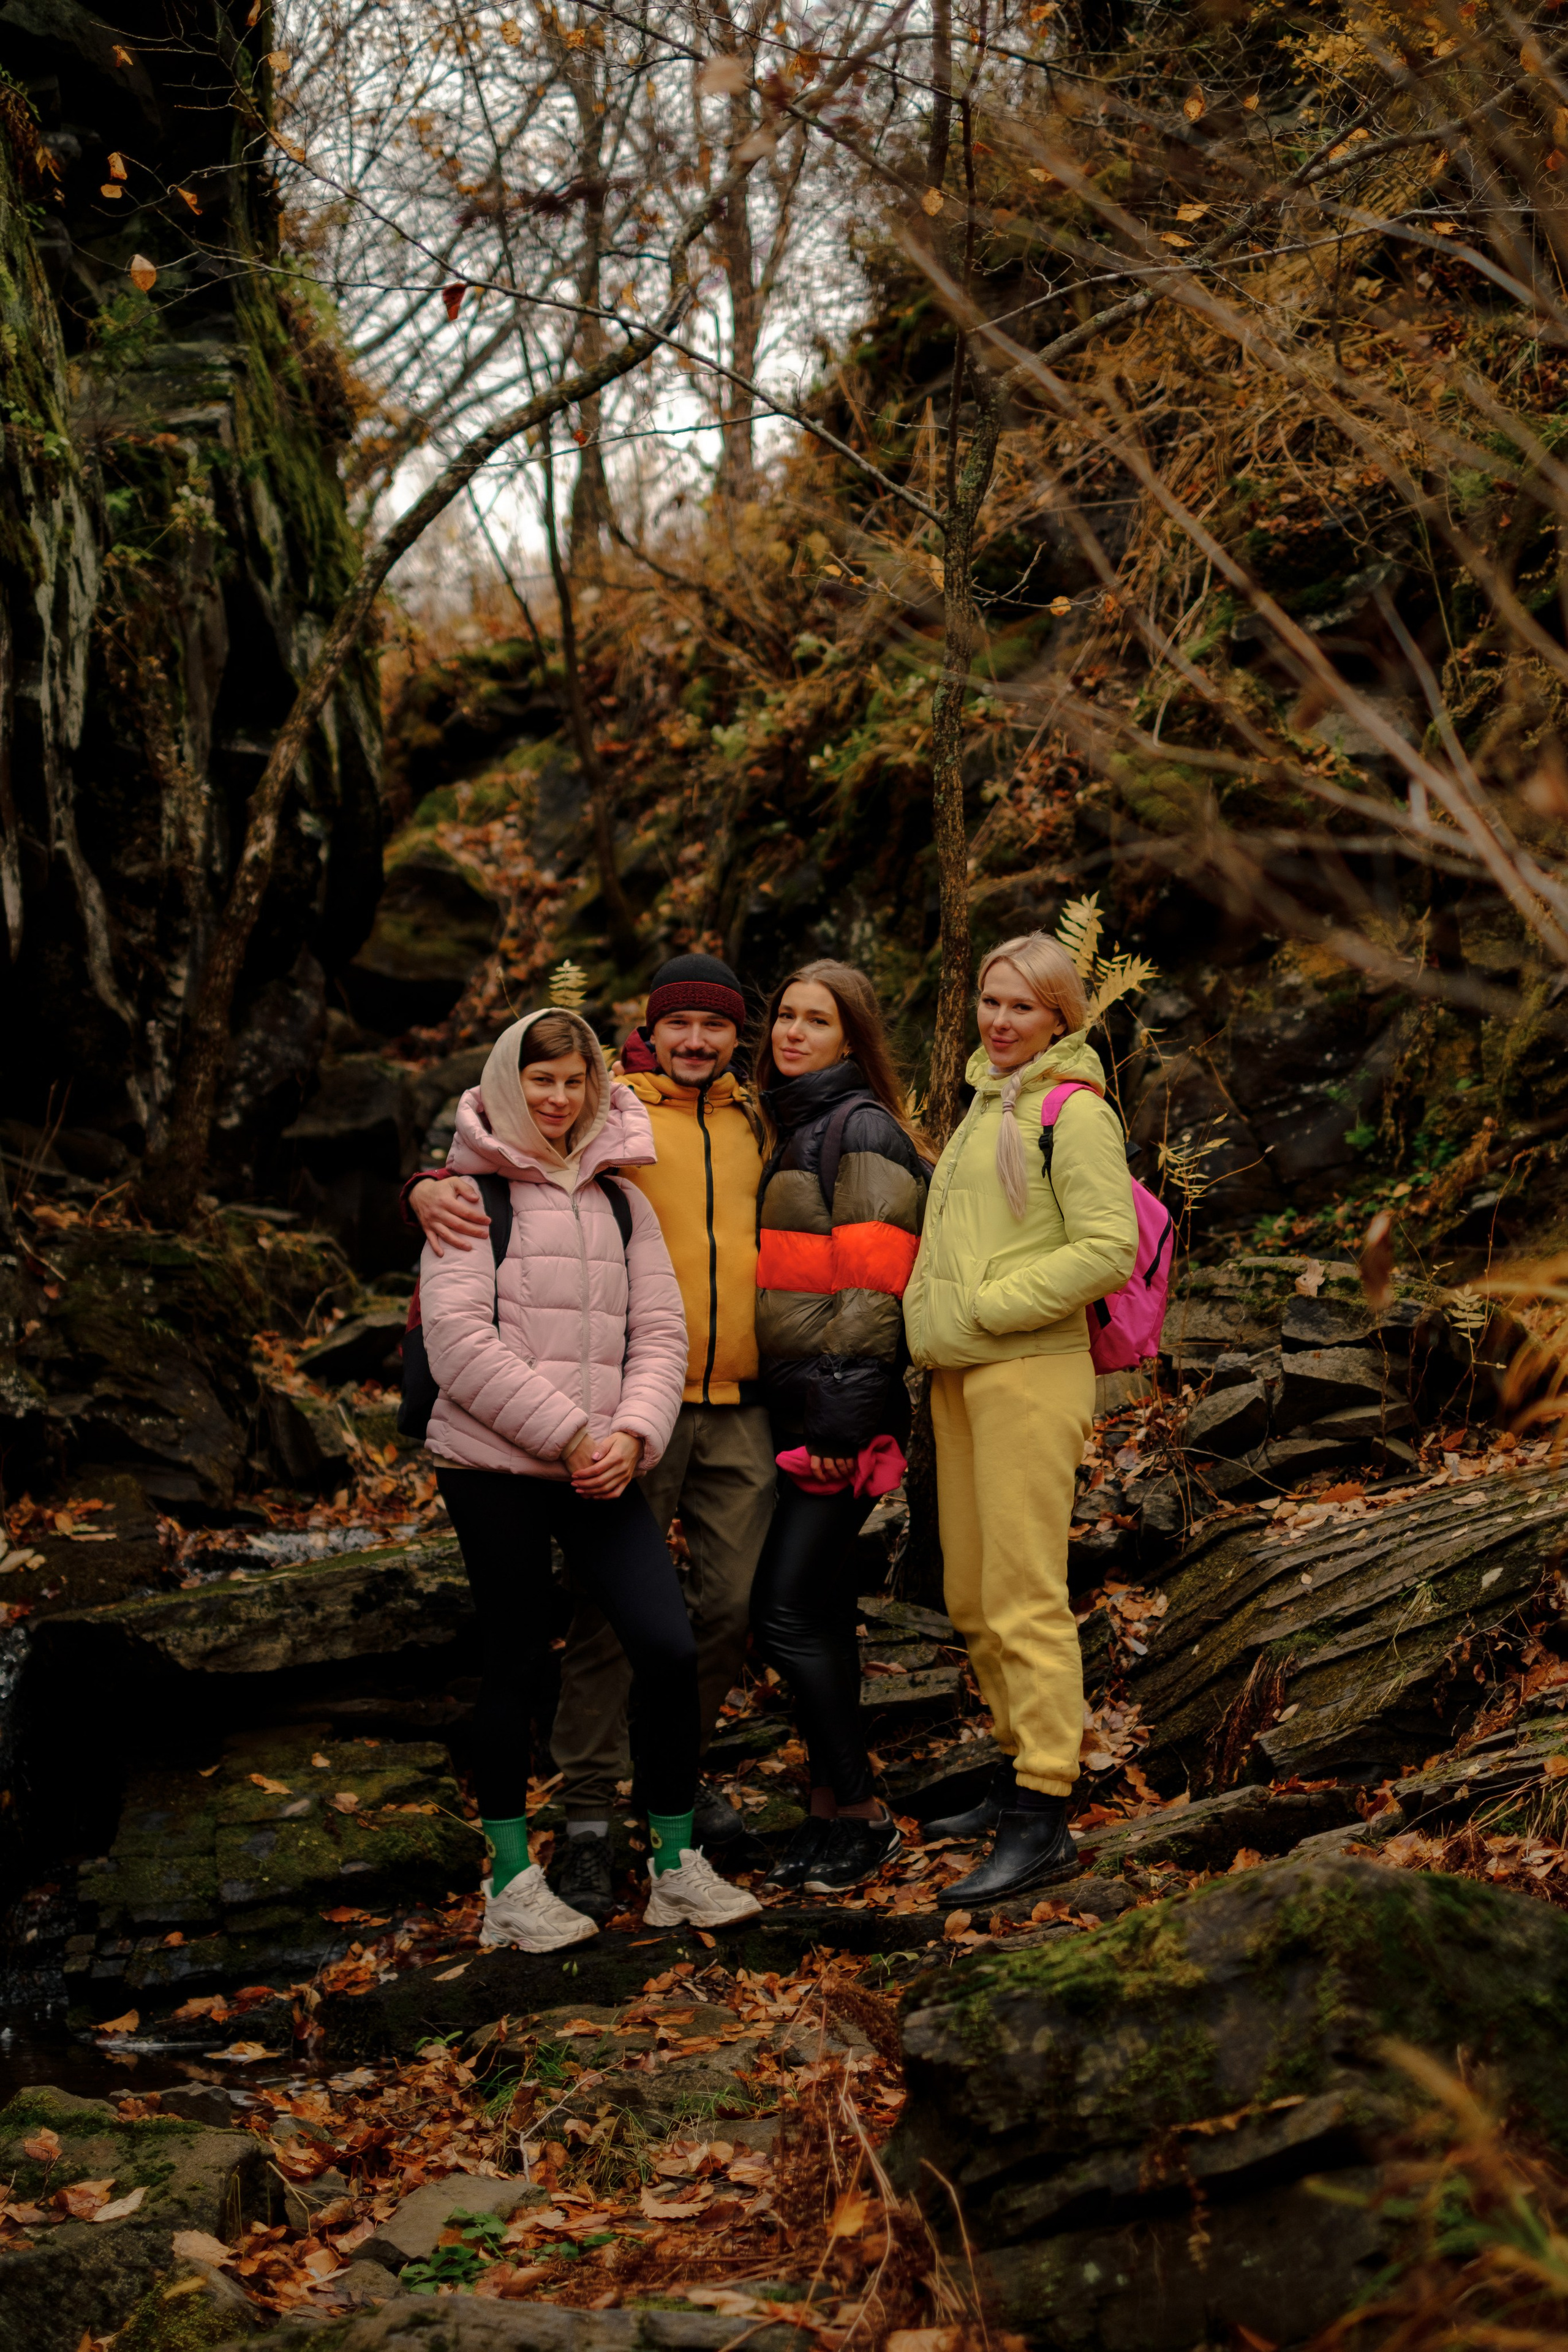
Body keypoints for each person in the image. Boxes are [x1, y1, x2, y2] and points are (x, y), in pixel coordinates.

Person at [409, 953, 776, 1924]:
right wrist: (574, 1432)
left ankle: (674, 1867)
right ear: (508, 1081)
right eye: (542, 1079)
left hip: (601, 1469)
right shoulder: (466, 1195)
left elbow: (660, 1332)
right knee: (515, 1661)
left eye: (576, 1081)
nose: (560, 1099)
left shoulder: (621, 1198)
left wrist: (633, 1433)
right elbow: (457, 1344)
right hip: (493, 1468)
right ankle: (509, 1885)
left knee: (666, 1646)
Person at [902, 935, 1138, 1904]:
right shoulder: (984, 1103)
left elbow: (1110, 1248)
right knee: (971, 1593)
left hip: (1029, 1370)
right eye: (991, 1002)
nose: (1000, 1021)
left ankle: (1044, 1812)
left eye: (1023, 1008)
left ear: (1060, 1019)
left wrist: (992, 1305)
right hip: (962, 1372)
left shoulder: (1072, 1112)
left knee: (1025, 1594)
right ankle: (1015, 1773)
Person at [748, 960, 928, 1896]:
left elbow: (872, 1288)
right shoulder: (793, 1125)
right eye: (785, 1015)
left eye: (816, 1021)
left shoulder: (859, 1129)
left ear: (852, 1039)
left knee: (779, 1610)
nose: (792, 1032)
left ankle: (862, 1812)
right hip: (799, 1407)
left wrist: (838, 1424)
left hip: (836, 1417)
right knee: (815, 1610)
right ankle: (827, 1811)